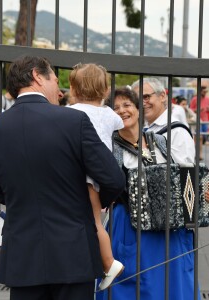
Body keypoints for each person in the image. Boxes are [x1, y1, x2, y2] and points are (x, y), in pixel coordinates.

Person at [0, 55, 125, 300]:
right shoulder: (74, 120)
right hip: (73, 250)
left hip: (23, 254)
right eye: (56, 80)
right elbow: (113, 178)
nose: (59, 89)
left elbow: (0, 190)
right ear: (37, 76)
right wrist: (94, 205)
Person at [97, 86, 200, 300]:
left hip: (168, 231)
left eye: (127, 105)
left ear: (137, 108)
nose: (122, 111)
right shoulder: (108, 147)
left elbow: (183, 178)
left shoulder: (161, 141)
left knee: (172, 286)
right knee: (135, 288)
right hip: (130, 228)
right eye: (115, 108)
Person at [68, 63, 124, 291]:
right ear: (106, 90)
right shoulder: (110, 114)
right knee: (95, 221)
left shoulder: (71, 113)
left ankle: (109, 263)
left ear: (73, 88)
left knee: (93, 223)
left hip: (79, 173)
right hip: (99, 174)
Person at [132, 77, 195, 163]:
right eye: (137, 100)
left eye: (146, 97)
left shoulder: (178, 131)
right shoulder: (142, 128)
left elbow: (186, 170)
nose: (142, 103)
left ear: (162, 96)